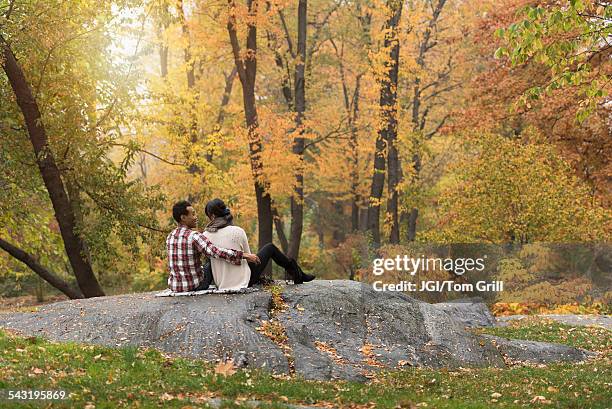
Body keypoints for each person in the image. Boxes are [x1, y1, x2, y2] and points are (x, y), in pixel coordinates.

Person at [201, 198, 314, 289]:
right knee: (270, 248)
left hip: (222, 284)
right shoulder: (237, 231)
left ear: (212, 216)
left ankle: (297, 273)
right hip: (246, 281)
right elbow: (250, 258)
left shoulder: (204, 236)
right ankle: (296, 273)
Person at [166, 200, 261, 292]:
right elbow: (216, 252)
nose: (196, 217)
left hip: (175, 286)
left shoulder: (170, 236)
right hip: (194, 285)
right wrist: (245, 255)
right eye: (193, 214)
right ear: (183, 217)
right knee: (210, 262)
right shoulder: (194, 236)